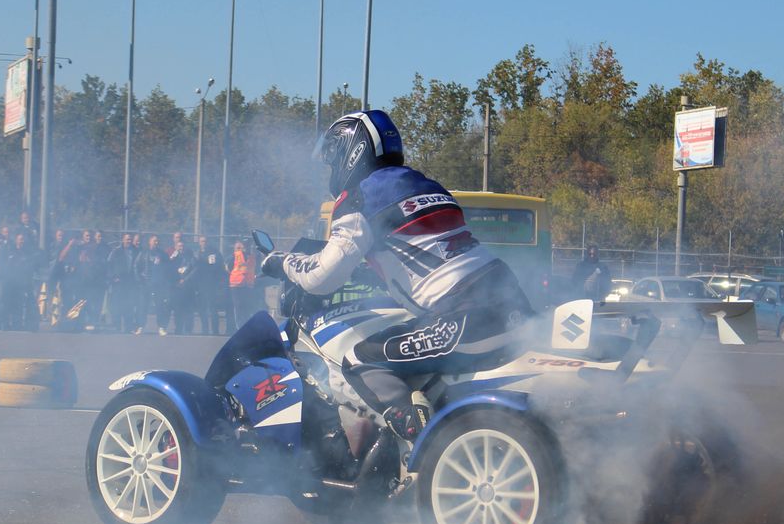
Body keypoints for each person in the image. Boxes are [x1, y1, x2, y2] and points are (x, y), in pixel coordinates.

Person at [261, 110, 533, 444]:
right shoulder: (428, 186)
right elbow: (422, 257)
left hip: (467, 316)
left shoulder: (359, 197)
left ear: (352, 152)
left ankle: (421, 447)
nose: (333, 170)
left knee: (360, 360)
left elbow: (321, 277)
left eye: (333, 161)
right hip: (512, 303)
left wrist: (282, 262)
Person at [195, 235, 226, 334]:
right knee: (202, 309)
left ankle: (215, 330)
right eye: (202, 241)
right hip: (200, 285)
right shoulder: (197, 253)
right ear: (199, 243)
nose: (204, 243)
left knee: (213, 308)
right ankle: (205, 329)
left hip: (211, 284)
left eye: (205, 241)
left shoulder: (214, 253)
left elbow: (218, 267)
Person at [165, 232, 196, 333]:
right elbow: (167, 267)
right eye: (177, 238)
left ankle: (188, 329)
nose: (179, 240)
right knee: (177, 308)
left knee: (188, 308)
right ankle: (178, 328)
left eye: (181, 239)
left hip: (187, 286)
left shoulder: (189, 253)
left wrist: (185, 280)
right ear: (173, 239)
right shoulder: (170, 252)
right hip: (175, 286)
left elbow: (194, 268)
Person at [228, 239, 258, 329]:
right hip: (236, 284)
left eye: (249, 246)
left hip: (248, 284)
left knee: (247, 306)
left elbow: (253, 269)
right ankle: (239, 327)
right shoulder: (236, 255)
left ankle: (246, 326)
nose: (247, 248)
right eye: (245, 246)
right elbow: (228, 266)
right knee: (238, 306)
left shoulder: (252, 257)